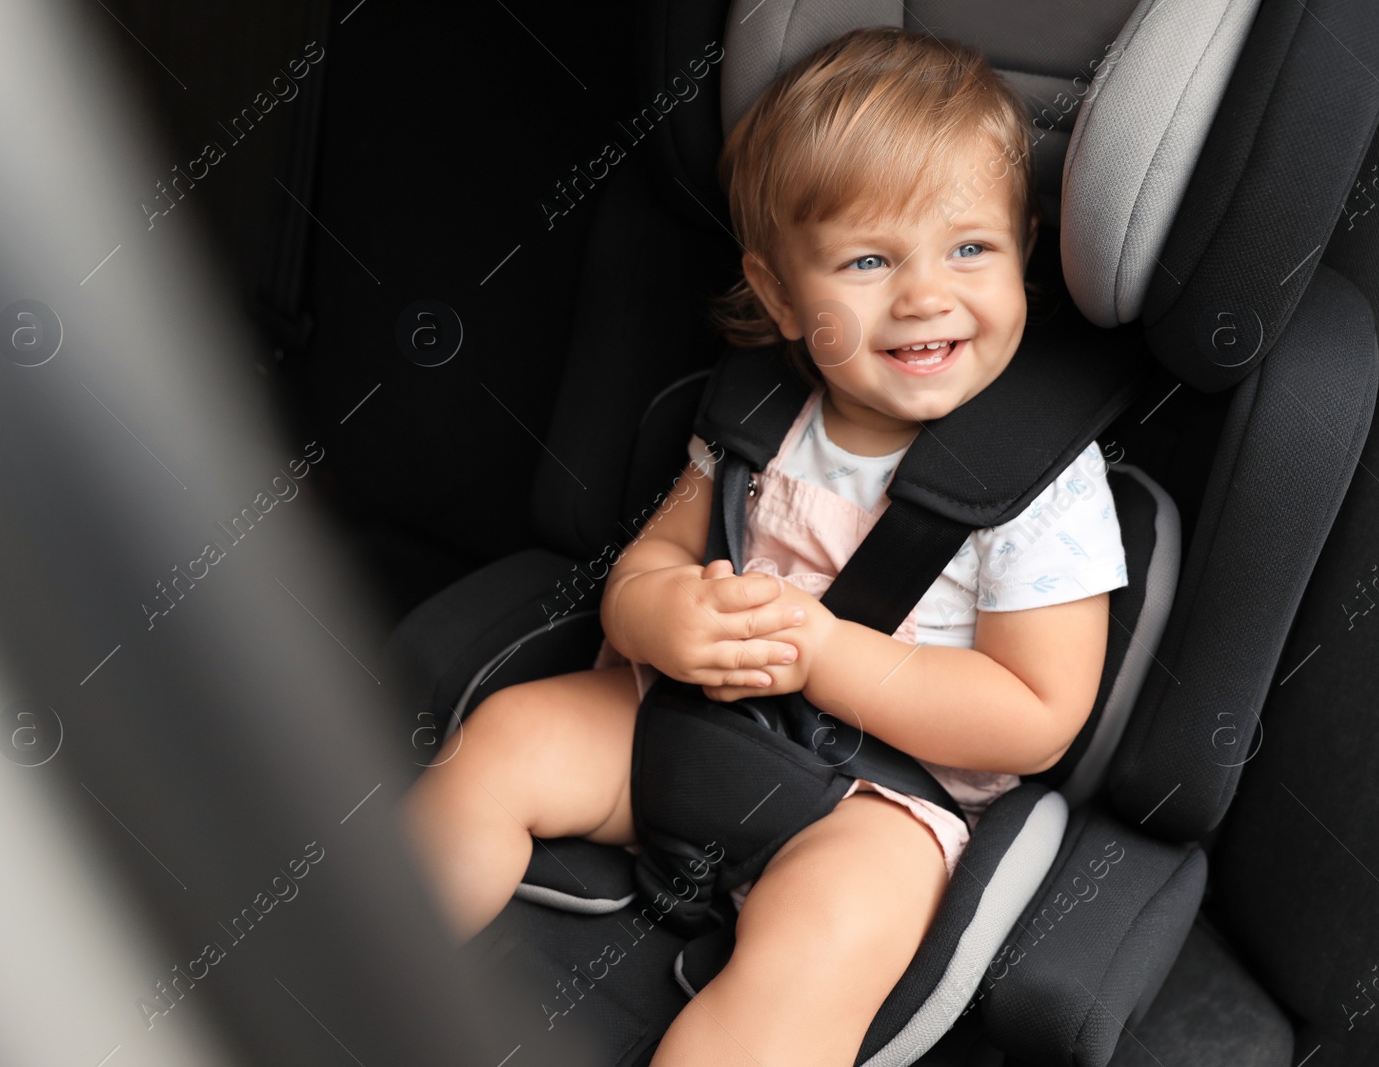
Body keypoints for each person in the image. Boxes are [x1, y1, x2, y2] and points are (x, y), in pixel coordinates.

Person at [400, 26, 1128, 1066]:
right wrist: (663, 616)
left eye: (969, 248)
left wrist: (828, 656)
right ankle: (351, 968)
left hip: (876, 797)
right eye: (868, 260)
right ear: (782, 295)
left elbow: (1033, 715)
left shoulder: (1037, 480)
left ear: (1022, 251)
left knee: (828, 939)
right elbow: (645, 567)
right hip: (688, 719)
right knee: (508, 737)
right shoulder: (760, 416)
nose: (925, 293)